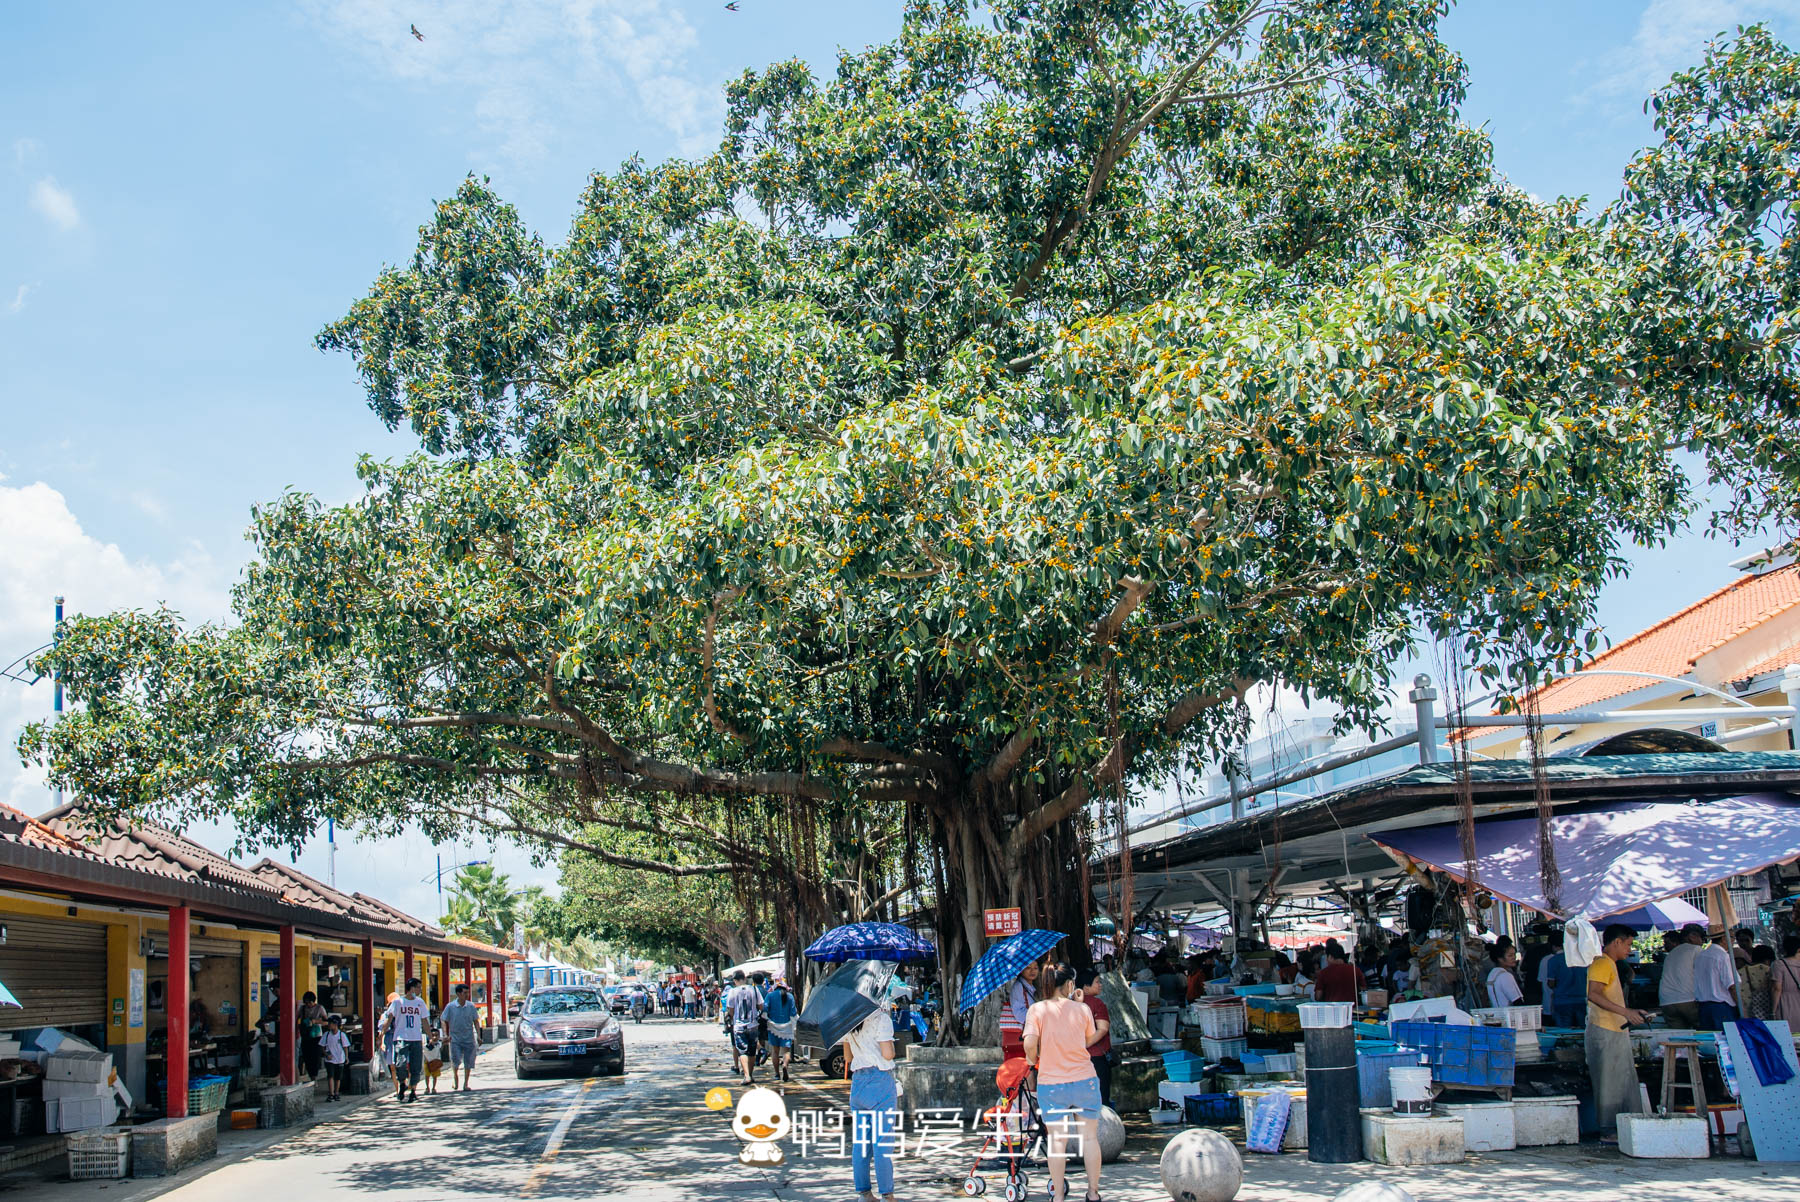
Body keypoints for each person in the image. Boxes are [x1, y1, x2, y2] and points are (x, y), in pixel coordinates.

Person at [1024, 966, 1105, 1202]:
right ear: (1071, 984)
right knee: (1089, 1138)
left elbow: (1029, 1042)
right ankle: (1092, 1193)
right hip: (1085, 1080)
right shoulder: (1082, 1010)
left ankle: (1058, 1196)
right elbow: (1088, 1039)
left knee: (1057, 1142)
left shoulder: (1037, 1010)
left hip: (1052, 1083)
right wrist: (1079, 1003)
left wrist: (1033, 1059)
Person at [1587, 923, 1650, 1142]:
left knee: (1622, 1080)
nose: (1629, 950)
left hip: (1616, 1027)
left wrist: (1631, 1013)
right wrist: (1625, 1011)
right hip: (1605, 1029)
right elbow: (1593, 994)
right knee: (1609, 1082)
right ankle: (1608, 1129)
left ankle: (1624, 1126)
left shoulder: (1612, 965)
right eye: (1628, 945)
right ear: (1617, 942)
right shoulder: (1602, 963)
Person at [842, 999, 897, 1202]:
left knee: (861, 1142)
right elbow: (887, 1054)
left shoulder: (849, 1021)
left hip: (858, 1084)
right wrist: (891, 1045)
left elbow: (847, 1057)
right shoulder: (881, 1019)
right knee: (883, 1141)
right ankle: (887, 1194)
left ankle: (864, 1193)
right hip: (880, 1082)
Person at [380, 977, 430, 1103]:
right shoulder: (398, 1003)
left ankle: (413, 1090)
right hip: (401, 1037)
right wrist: (382, 1034)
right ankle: (402, 1083)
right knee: (400, 1064)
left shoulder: (420, 1003)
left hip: (416, 1038)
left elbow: (424, 1021)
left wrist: (430, 1036)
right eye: (418, 987)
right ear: (412, 988)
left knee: (415, 1066)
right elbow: (389, 1019)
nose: (420, 990)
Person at [1074, 967, 1114, 1107]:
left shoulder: (1069, 1004)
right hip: (1096, 1057)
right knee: (1101, 1096)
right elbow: (1102, 1029)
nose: (1100, 985)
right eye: (1097, 982)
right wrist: (1086, 1043)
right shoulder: (1097, 1004)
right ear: (1086, 987)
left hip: (1076, 1058)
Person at [1658, 924, 1705, 1028]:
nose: (1702, 942)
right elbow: (1704, 975)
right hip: (1687, 999)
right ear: (1692, 936)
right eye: (1702, 938)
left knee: (1678, 1037)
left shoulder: (1671, 953)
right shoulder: (1696, 950)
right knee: (1701, 1032)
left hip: (1666, 1001)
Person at [724, 970, 765, 1086]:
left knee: (742, 1051)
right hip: (753, 1025)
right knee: (752, 1052)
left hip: (739, 1026)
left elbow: (730, 1010)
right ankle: (750, 1075)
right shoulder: (754, 989)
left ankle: (746, 1076)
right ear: (745, 978)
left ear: (735, 980)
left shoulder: (732, 992)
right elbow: (761, 1005)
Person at [1694, 927, 1739, 1031]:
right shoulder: (1722, 956)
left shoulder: (1701, 955)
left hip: (1704, 1006)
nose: (1733, 941)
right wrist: (1741, 1008)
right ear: (1724, 938)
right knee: (1726, 1041)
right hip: (1721, 1007)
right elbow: (1732, 986)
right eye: (1732, 938)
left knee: (1711, 1042)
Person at [442, 983, 482, 1091]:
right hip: (455, 1039)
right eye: (465, 993)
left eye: (467, 992)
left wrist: (478, 1035)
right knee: (455, 1060)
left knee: (468, 1062)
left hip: (469, 1038)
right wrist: (445, 1034)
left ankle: (466, 1083)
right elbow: (444, 1019)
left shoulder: (471, 1006)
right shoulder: (450, 1006)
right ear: (458, 994)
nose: (467, 995)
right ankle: (455, 1078)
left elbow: (476, 1022)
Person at [999, 961, 1040, 1061]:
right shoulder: (1019, 987)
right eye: (1028, 968)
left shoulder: (1030, 987)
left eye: (1035, 968)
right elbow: (1019, 1013)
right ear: (1021, 970)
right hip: (1025, 1032)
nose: (1032, 971)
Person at [764, 975, 798, 1083]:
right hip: (787, 1026)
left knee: (775, 1051)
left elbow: (764, 1011)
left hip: (773, 1026)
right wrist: (795, 1027)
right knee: (786, 1051)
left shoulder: (770, 996)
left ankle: (777, 1074)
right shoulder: (790, 997)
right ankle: (785, 1065)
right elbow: (793, 1013)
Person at [296, 990, 328, 1082]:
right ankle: (311, 1077)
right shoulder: (302, 1009)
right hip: (305, 1036)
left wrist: (315, 1021)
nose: (308, 1005)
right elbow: (296, 1019)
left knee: (315, 1057)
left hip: (316, 1036)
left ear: (313, 1001)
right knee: (307, 1056)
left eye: (310, 1002)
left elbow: (327, 1022)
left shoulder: (320, 1008)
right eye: (306, 1003)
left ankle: (314, 1077)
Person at [320, 1014, 350, 1102]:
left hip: (340, 1058)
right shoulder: (326, 1035)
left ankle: (336, 1092)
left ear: (336, 1024)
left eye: (331, 1023)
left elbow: (345, 1047)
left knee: (338, 1078)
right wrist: (326, 1054)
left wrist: (346, 1057)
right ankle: (331, 1093)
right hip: (330, 1059)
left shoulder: (342, 1035)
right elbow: (322, 1046)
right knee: (330, 1076)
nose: (329, 1025)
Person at [1742, 945, 1777, 1019]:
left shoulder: (1741, 972)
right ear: (1768, 960)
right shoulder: (1773, 971)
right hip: (1768, 1012)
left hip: (1747, 1013)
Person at [1772, 935, 1800, 1028]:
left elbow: (1777, 989)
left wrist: (1773, 1011)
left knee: (1789, 1035)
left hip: (1787, 1004)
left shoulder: (1779, 964)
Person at [1486, 944, 1524, 1008]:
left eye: (1514, 954)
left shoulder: (1492, 974)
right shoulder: (1505, 976)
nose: (1514, 958)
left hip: (1497, 1013)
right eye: (1510, 955)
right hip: (1508, 1015)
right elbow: (1517, 1001)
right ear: (1500, 959)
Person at [422, 1020, 445, 1094]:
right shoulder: (426, 1045)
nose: (434, 1037)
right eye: (432, 1035)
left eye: (436, 1035)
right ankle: (427, 1087)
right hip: (427, 1062)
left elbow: (441, 1048)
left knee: (435, 1076)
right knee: (427, 1075)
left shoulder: (439, 1044)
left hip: (436, 1061)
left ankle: (433, 1088)